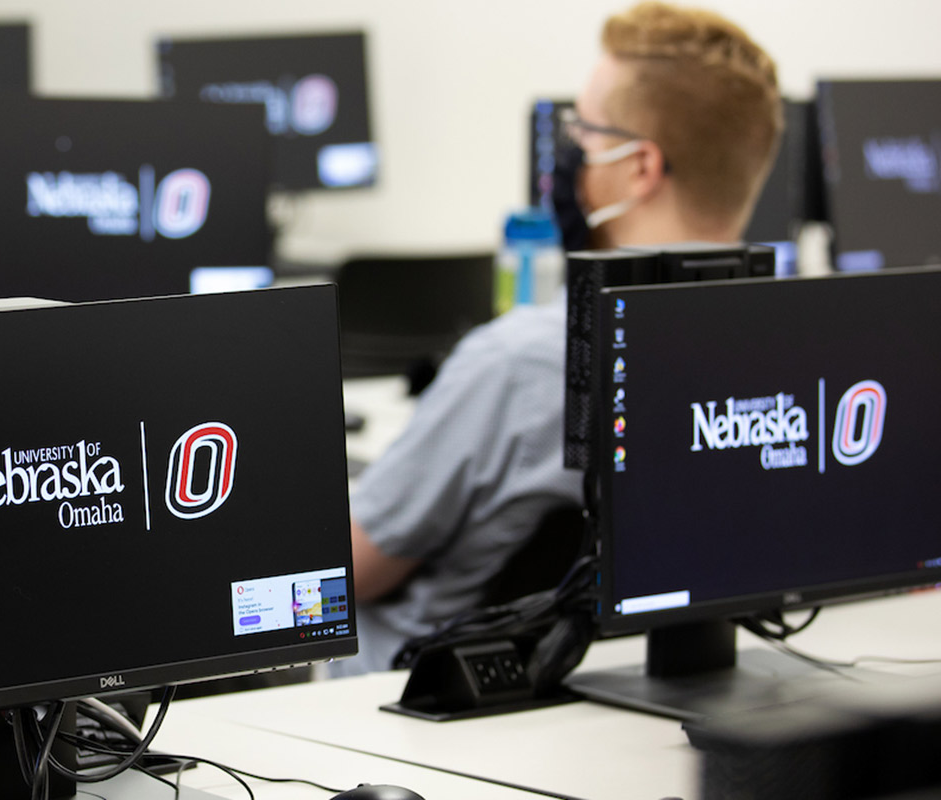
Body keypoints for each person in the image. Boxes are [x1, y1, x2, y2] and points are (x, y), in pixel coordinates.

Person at [333, 1, 784, 677]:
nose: (569, 150)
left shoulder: (522, 362)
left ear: (640, 168)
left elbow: (349, 572)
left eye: (585, 130)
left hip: (419, 711)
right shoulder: (789, 352)